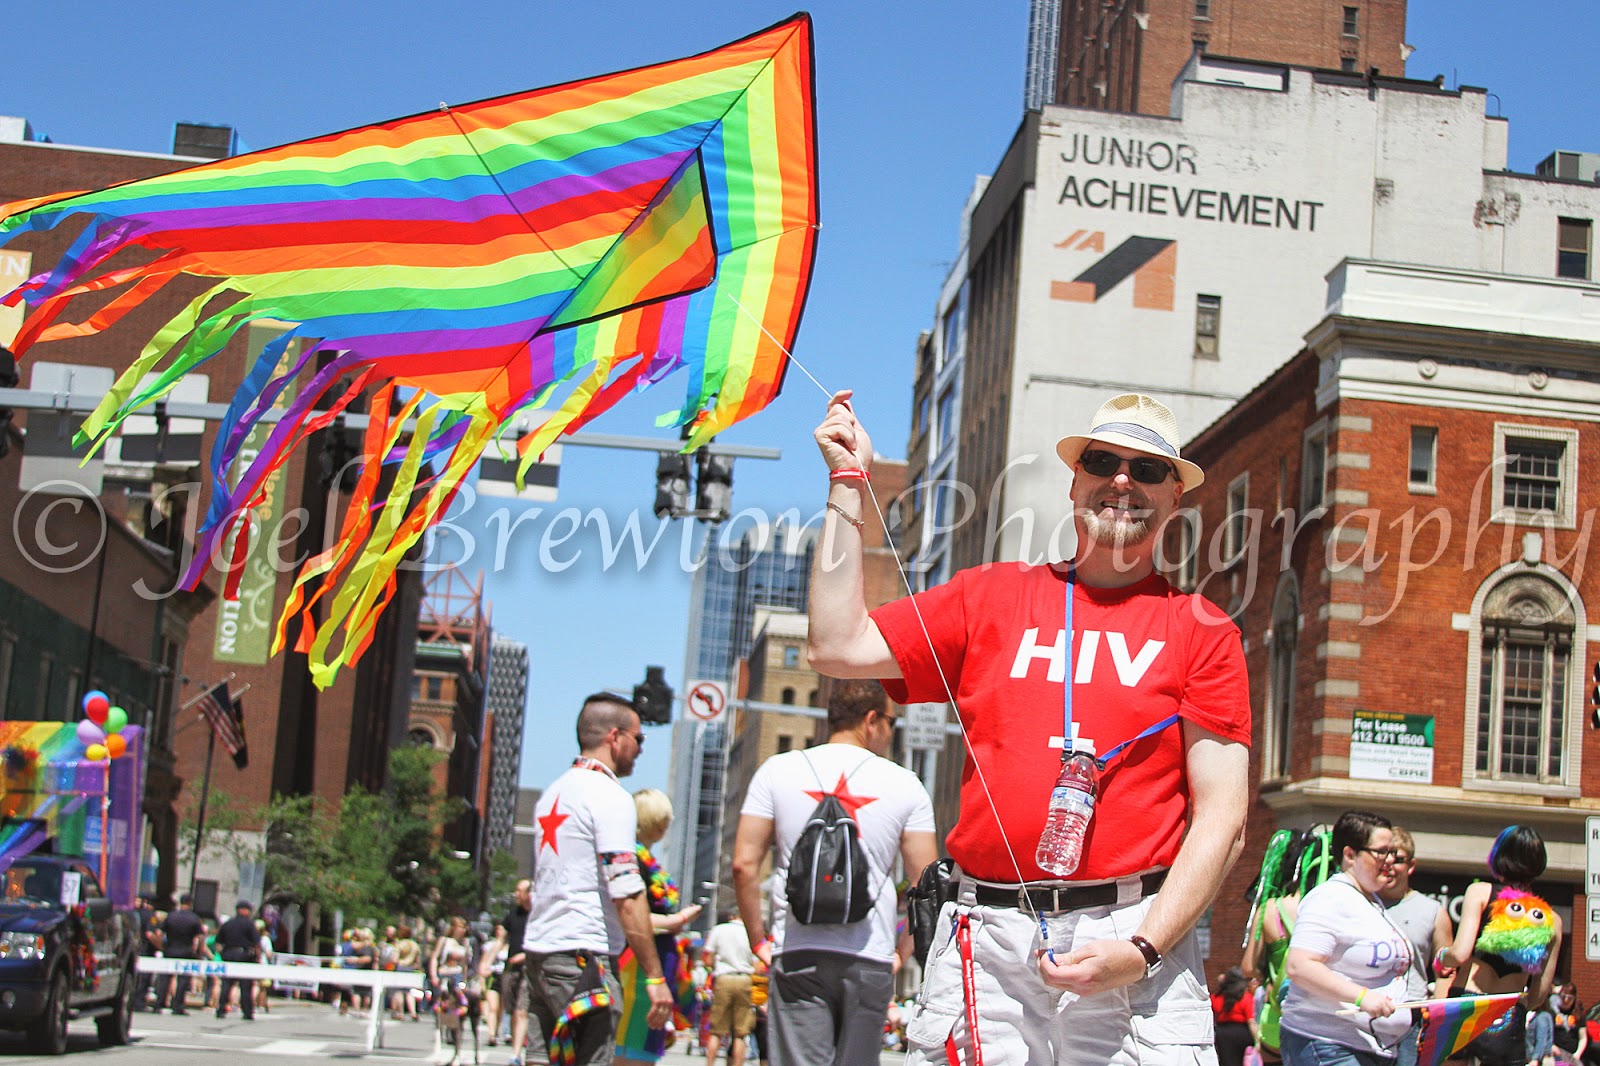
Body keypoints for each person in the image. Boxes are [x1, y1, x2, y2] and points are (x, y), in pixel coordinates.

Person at [808, 389, 1251, 1065]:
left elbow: (1224, 818)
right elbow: (836, 644)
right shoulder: (989, 595)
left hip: (1133, 937)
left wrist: (1142, 949)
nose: (1122, 481)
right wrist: (847, 481)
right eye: (1102, 461)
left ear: (1174, 497)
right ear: (1075, 481)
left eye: (1147, 469)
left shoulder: (1203, 631)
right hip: (986, 940)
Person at [731, 678, 938, 1065]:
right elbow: (925, 883)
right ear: (871, 720)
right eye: (891, 723)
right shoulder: (905, 784)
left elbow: (743, 865)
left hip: (797, 950)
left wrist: (759, 941)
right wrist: (902, 951)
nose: (891, 733)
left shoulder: (777, 770)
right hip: (870, 954)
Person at [523, 693, 672, 1065]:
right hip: (583, 958)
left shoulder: (554, 793)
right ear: (615, 736)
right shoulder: (609, 796)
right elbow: (626, 891)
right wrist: (655, 977)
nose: (641, 749)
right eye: (639, 738)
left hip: (541, 951)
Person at [1280, 810, 1412, 1066]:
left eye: (1392, 853)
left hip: (1373, 1047)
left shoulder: (1370, 901)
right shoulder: (1329, 899)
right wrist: (1362, 997)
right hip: (1326, 1042)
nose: (1389, 860)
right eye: (1381, 852)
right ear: (1350, 855)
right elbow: (1300, 966)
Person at [1436, 825, 1562, 1066]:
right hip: (1507, 1015)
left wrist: (1442, 957)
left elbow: (1460, 954)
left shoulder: (1480, 893)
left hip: (1466, 1009)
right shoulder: (1552, 920)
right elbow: (1538, 995)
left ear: (1499, 856)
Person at [616, 789, 702, 1066]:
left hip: (653, 966)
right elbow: (627, 913)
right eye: (659, 819)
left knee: (644, 1045)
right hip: (637, 968)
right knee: (632, 1045)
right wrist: (676, 921)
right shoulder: (632, 860)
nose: (664, 826)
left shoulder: (646, 861)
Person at [1375, 827, 1453, 1066]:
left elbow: (1446, 972)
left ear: (1411, 866)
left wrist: (1435, 1022)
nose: (1389, 865)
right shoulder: (1359, 903)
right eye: (1383, 857)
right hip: (1365, 1014)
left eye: (1398, 859)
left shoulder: (1433, 912)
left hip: (1412, 1017)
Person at [702, 912, 757, 1066]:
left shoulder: (719, 930)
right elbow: (757, 963)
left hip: (724, 977)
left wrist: (715, 966)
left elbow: (708, 958)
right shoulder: (750, 932)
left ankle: (710, 1063)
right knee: (741, 1033)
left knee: (716, 1031)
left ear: (732, 916)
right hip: (744, 978)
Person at [493, 880, 534, 1065]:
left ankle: (516, 1054)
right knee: (512, 1010)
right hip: (511, 969)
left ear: (529, 893)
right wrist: (486, 962)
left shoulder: (537, 915)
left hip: (530, 968)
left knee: (521, 1010)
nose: (516, 894)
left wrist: (525, 956)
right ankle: (516, 1047)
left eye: (519, 890)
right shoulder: (512, 915)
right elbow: (500, 940)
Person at [157, 893, 204, 1014]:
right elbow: (200, 937)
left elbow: (159, 933)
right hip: (186, 951)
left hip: (170, 949)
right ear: (190, 903)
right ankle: (178, 1005)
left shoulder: (171, 916)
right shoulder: (194, 918)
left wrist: (162, 947)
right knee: (183, 980)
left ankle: (159, 1003)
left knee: (165, 978)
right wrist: (198, 952)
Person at [215, 899, 261, 1019]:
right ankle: (247, 1012)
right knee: (245, 986)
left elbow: (218, 943)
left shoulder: (227, 924)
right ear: (244, 910)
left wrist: (223, 955)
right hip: (244, 956)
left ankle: (221, 1009)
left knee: (226, 985)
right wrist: (257, 957)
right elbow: (257, 943)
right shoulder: (250, 924)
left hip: (229, 955)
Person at [1213, 966, 1257, 1066]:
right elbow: (1251, 1021)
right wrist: (1258, 1041)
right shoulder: (1246, 997)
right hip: (1243, 1033)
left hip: (1222, 1033)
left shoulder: (1217, 996)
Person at [1551, 985, 1588, 1065]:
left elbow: (1583, 1038)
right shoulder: (1553, 1012)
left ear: (1574, 998)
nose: (1566, 1000)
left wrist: (1577, 1054)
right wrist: (1552, 1046)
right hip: (1557, 1054)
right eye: (1563, 997)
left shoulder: (1579, 1014)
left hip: (1573, 1055)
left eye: (1569, 998)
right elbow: (1548, 1034)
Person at [393, 925, 422, 1020]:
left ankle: (400, 1013)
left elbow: (394, 959)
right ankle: (413, 1012)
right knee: (409, 992)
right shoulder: (415, 945)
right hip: (410, 969)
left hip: (401, 967)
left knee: (399, 992)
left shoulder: (400, 944)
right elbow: (418, 961)